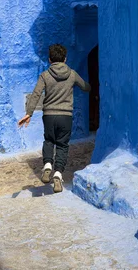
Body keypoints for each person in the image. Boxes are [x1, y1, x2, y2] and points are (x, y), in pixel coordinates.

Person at [18, 44, 91, 193]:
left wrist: (29, 113)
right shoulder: (72, 74)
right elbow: (86, 87)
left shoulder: (45, 75)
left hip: (49, 115)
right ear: (65, 58)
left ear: (50, 59)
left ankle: (47, 165)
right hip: (65, 116)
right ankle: (58, 174)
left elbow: (37, 94)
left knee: (49, 141)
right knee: (63, 145)